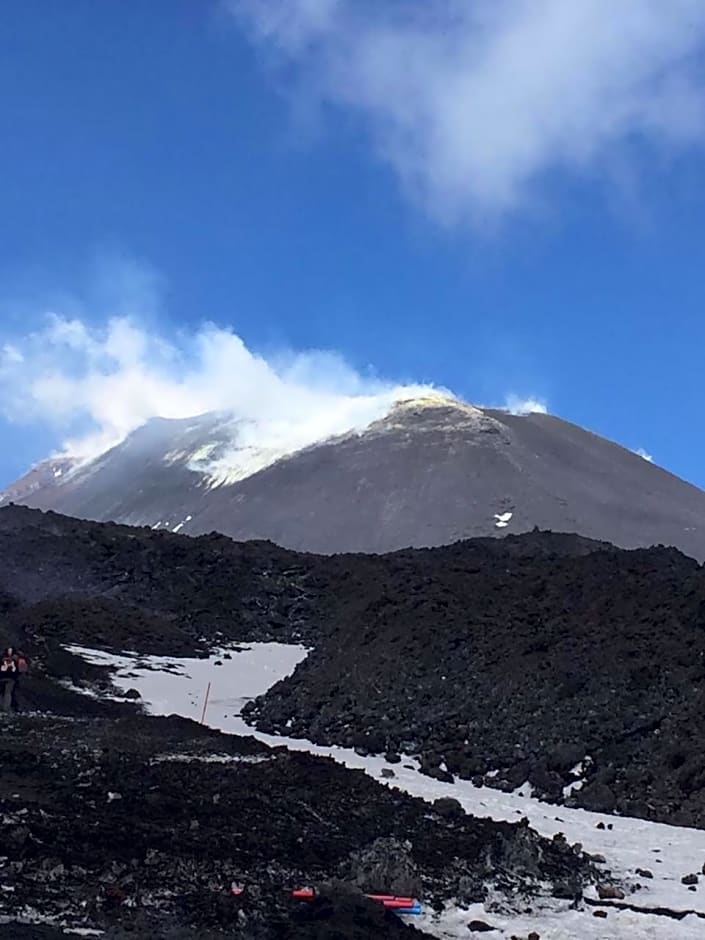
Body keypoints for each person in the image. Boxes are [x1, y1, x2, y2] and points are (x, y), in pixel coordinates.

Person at [0, 648, 17, 712]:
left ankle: (1, 707)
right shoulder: (15, 658)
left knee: (1, 693)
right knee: (8, 693)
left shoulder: (2, 657)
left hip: (1, 678)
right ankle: (6, 708)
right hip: (11, 678)